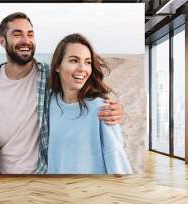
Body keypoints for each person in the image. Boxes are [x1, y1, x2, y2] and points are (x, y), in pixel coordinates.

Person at [0, 12, 123, 174]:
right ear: (2, 41)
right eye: (17, 34)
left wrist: (114, 109)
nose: (26, 40)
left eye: (30, 34)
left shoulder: (48, 78)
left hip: (42, 173)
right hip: (1, 176)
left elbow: (80, 88)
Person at [47, 33, 132, 174]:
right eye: (74, 60)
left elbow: (117, 162)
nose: (82, 68)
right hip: (57, 192)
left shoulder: (101, 110)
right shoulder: (51, 102)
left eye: (87, 62)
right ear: (57, 66)